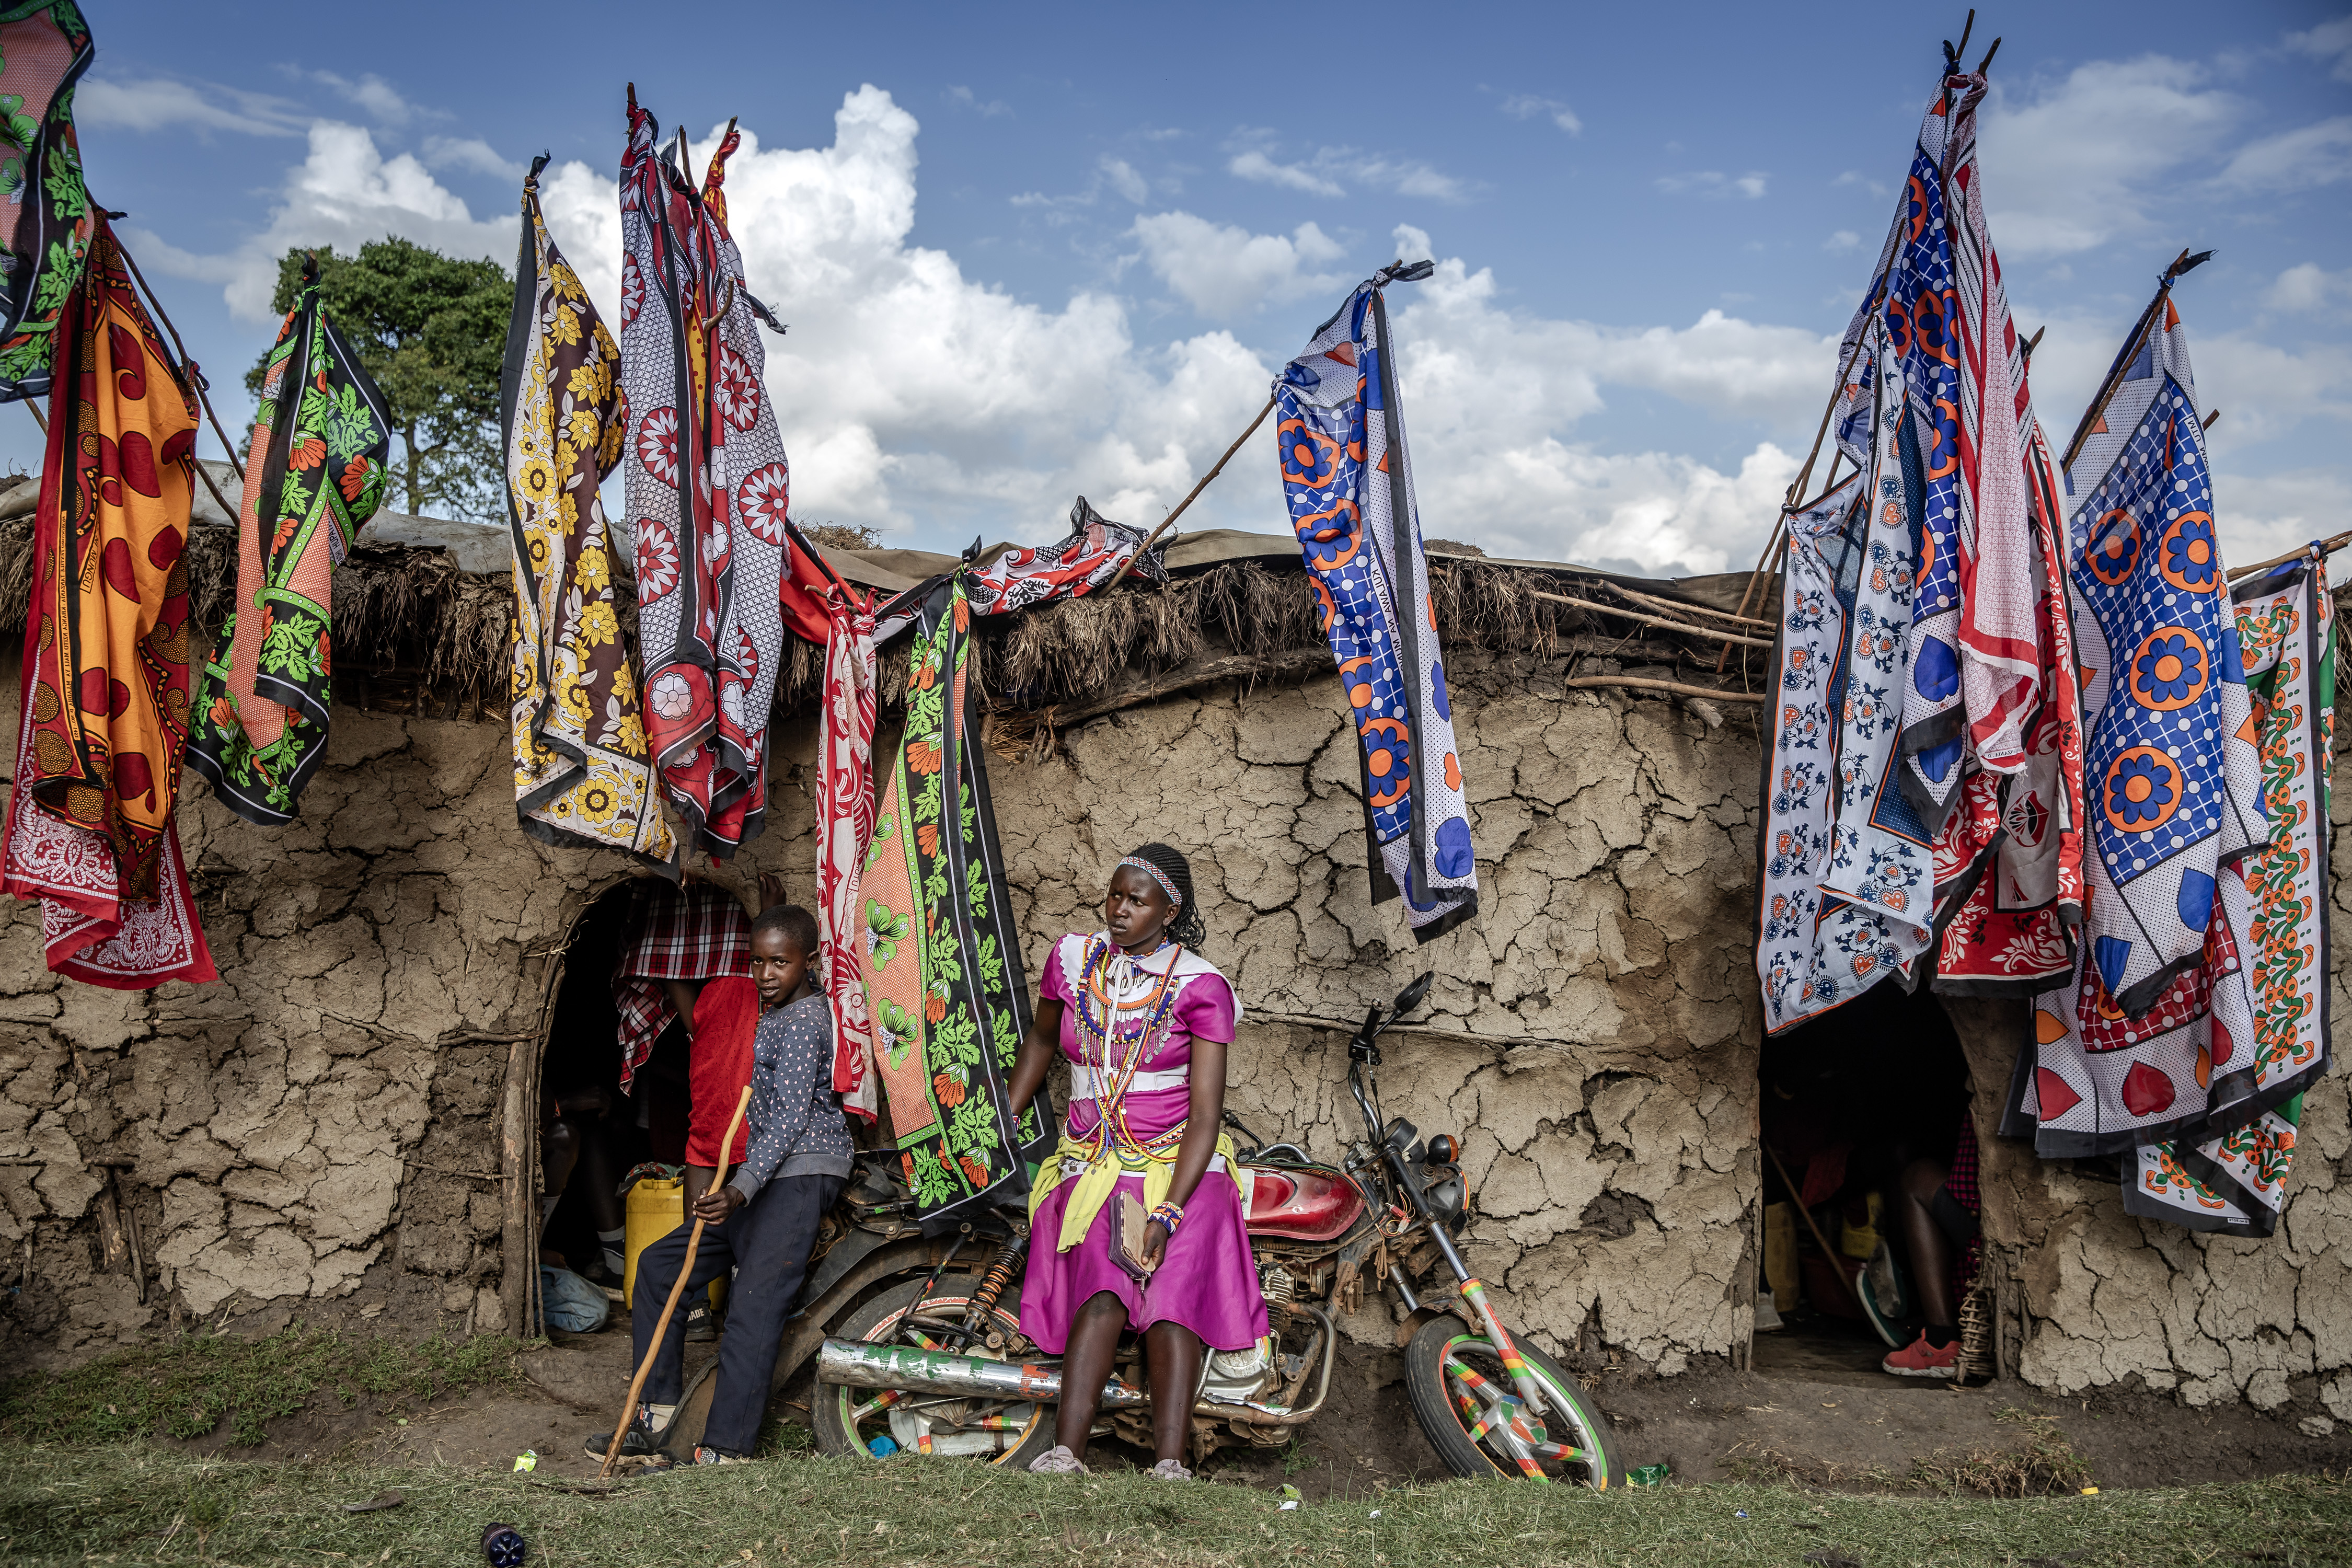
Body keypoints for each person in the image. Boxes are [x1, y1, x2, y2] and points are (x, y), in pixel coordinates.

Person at [1003, 843, 1266, 1479]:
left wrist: (1169, 1211)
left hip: (1180, 1164)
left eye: (1137, 901)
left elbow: (1205, 1118)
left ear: (1168, 912)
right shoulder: (1071, 961)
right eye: (1115, 896)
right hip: (1094, 1161)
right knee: (1103, 1279)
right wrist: (1006, 1115)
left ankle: (1169, 1462)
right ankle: (1067, 1452)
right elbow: (1043, 1038)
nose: (1119, 911)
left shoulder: (1200, 987)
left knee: (1172, 1287)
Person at [587, 903, 851, 1466]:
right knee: (660, 1268)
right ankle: (656, 1414)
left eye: (779, 962)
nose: (765, 975)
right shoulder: (776, 1015)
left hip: (800, 1174)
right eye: (757, 962)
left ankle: (726, 1448)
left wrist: (740, 1186)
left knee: (755, 1307)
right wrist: (743, 1181)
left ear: (810, 961)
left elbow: (791, 1122)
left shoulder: (807, 1020)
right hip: (763, 1177)